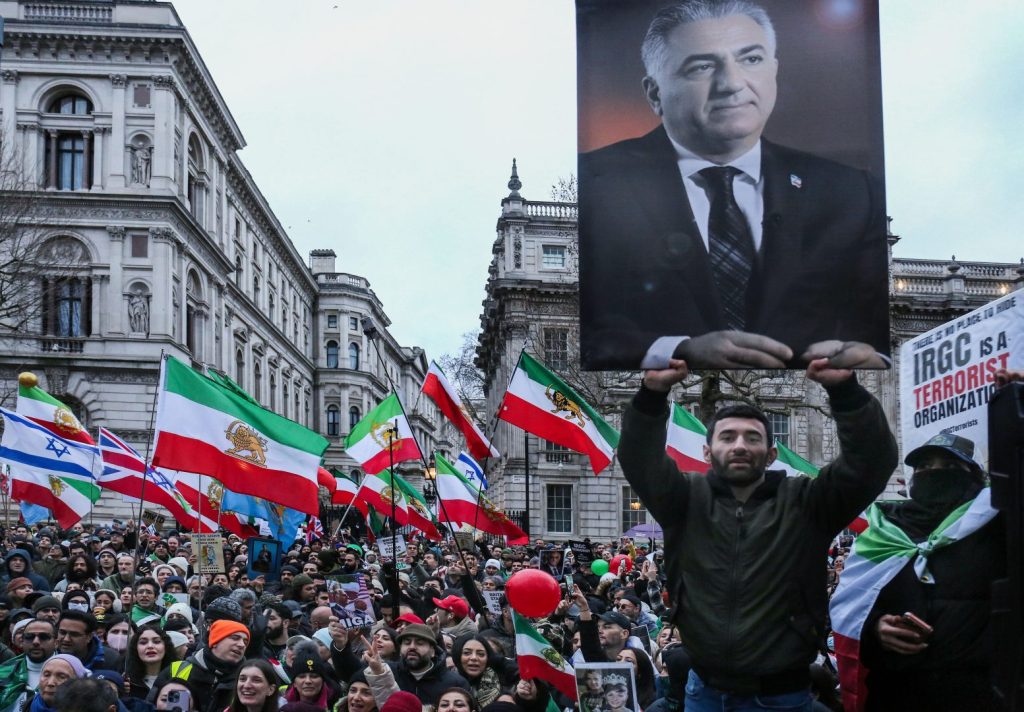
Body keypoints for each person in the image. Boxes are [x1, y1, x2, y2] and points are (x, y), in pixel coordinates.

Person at [577, 0, 889, 370]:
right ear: (655, 93)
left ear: (774, 71)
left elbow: (870, 319)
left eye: (751, 59)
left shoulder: (851, 193)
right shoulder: (597, 182)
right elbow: (596, 327)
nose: (732, 84)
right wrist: (677, 350)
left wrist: (869, 355)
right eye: (702, 66)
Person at [618, 357, 897, 710]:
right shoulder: (683, 499)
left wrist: (846, 391)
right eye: (728, 437)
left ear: (771, 454)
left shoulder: (809, 503)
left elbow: (870, 462)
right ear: (707, 452)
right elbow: (639, 458)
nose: (740, 445)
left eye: (753, 438)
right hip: (704, 694)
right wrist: (651, 394)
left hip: (783, 695)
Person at [830, 433, 1004, 711]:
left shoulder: (999, 525)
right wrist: (874, 627)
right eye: (924, 466)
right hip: (895, 692)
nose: (934, 472)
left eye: (950, 466)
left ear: (974, 475)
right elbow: (852, 602)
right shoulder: (885, 531)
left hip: (977, 693)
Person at [152, 620, 250, 712]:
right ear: (215, 641)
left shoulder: (247, 681)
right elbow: (150, 706)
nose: (242, 645)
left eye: (245, 642)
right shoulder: (177, 670)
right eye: (235, 638)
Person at [0, 618, 58, 712]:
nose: (36, 642)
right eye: (29, 636)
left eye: (43, 637)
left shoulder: (71, 673)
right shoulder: (4, 672)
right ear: (22, 641)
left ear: (56, 643)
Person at [124, 623, 178, 699]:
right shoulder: (126, 682)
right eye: (143, 642)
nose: (150, 646)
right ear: (135, 649)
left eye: (156, 641)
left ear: (166, 647)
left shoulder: (179, 677)